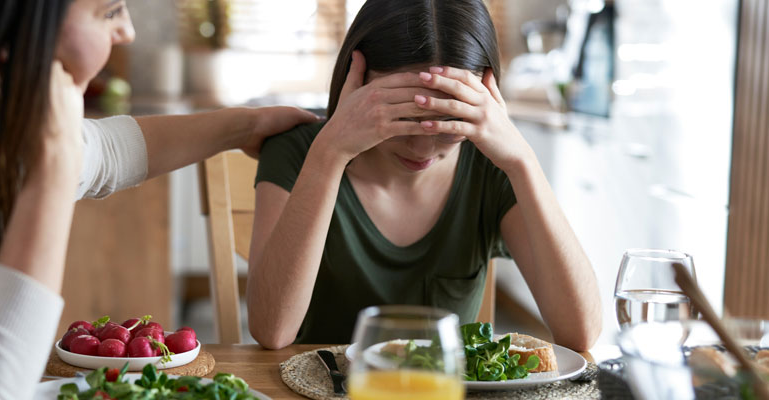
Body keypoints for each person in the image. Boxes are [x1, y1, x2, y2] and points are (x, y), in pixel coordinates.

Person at [0, 0, 317, 398]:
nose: (127, 30)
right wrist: (52, 173)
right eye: (109, 10)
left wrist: (245, 126)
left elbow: (108, 151)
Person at [248, 0, 602, 351]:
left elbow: (581, 333)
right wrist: (329, 154)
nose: (422, 149)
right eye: (401, 117)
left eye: (449, 123)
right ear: (355, 83)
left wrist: (522, 160)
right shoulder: (299, 152)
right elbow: (272, 330)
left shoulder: (492, 166)